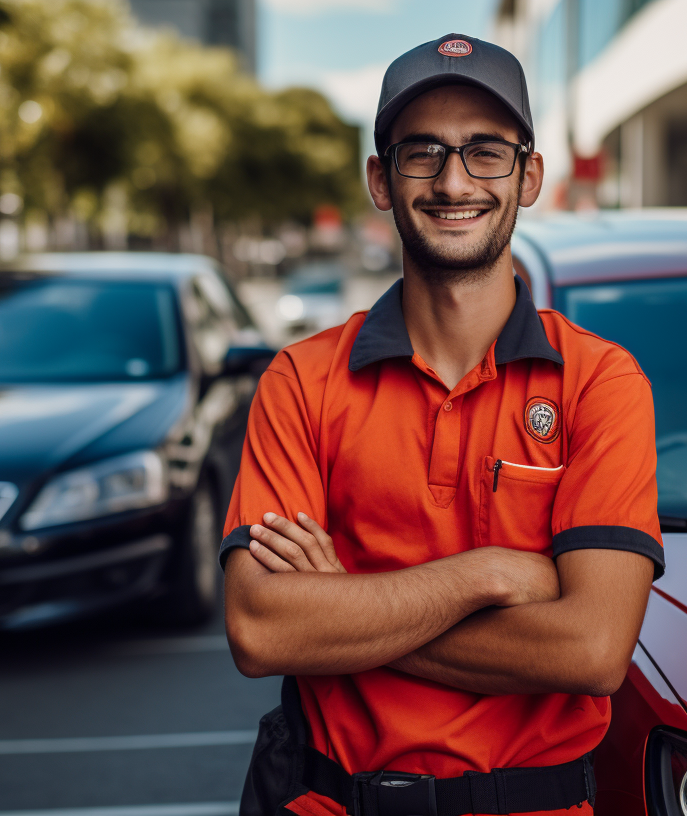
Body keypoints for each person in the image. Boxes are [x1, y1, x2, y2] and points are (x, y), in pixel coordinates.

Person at [221, 33, 662, 816]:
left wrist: (346, 611)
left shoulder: (601, 381)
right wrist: (489, 575)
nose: (454, 179)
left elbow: (592, 649)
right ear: (380, 180)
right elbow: (262, 630)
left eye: (485, 150)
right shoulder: (302, 380)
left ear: (529, 176)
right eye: (421, 151)